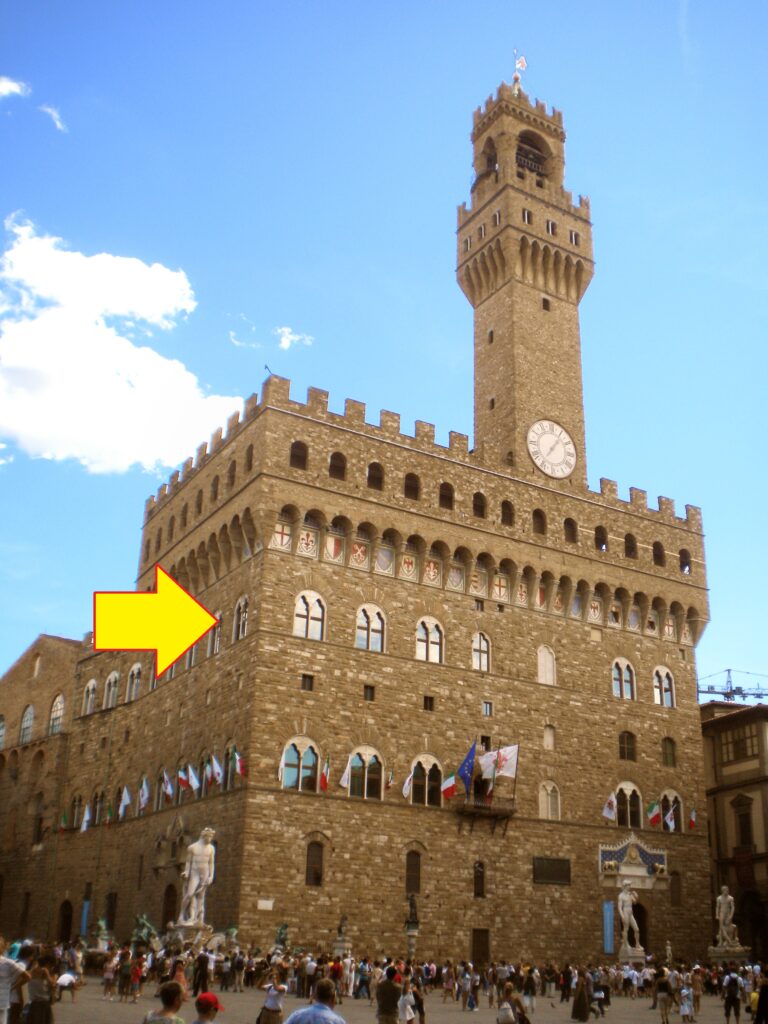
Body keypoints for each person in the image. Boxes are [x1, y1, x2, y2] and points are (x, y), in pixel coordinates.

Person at [180, 828, 216, 926]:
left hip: (205, 872)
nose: (210, 839)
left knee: (201, 896)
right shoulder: (193, 847)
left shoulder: (211, 848)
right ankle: (181, 915)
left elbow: (211, 863)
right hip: (195, 872)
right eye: (209, 837)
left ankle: (198, 918)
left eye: (211, 837)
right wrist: (186, 872)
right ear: (204, 836)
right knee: (190, 894)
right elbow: (188, 862)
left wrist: (211, 876)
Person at [25, 952, 57, 1024]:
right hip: (43, 1003)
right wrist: (52, 978)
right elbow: (52, 985)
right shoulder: (45, 971)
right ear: (48, 964)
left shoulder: (31, 971)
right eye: (51, 965)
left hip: (34, 1002)